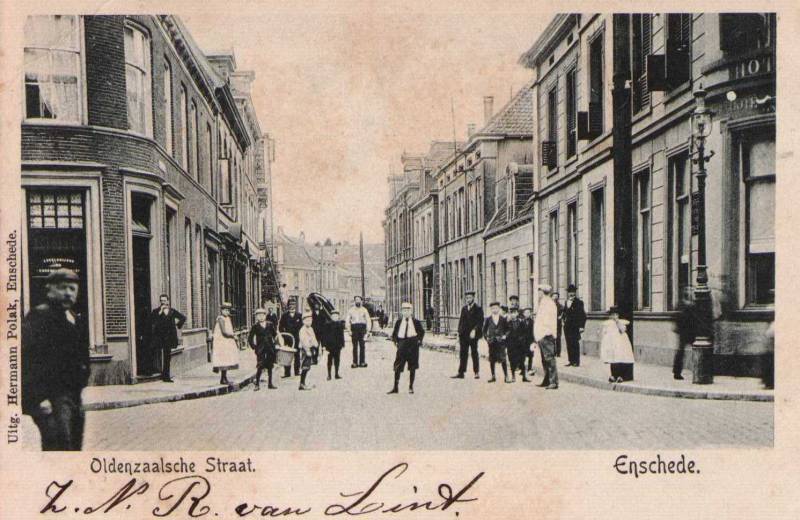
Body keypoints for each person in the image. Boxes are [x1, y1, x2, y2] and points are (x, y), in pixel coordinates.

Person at [22, 268, 90, 451]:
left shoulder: (73, 317)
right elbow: (28, 360)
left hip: (73, 397)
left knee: (74, 446)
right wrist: (38, 400)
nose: (68, 292)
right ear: (50, 289)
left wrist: (83, 377)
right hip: (52, 399)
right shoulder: (39, 317)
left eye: (72, 288)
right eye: (62, 287)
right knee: (60, 447)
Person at [148, 294, 186, 382]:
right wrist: (159, 313)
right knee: (152, 351)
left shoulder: (172, 311)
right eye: (161, 300)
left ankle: (166, 376)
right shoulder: (156, 311)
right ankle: (151, 371)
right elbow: (151, 321)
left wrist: (177, 325)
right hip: (158, 337)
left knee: (167, 357)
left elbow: (183, 318)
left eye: (164, 301)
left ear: (168, 301)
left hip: (169, 337)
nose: (163, 302)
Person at [388, 302, 425, 394]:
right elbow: (394, 334)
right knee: (397, 366)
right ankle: (395, 387)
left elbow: (421, 332)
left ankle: (411, 387)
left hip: (413, 345)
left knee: (412, 367)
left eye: (408, 310)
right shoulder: (399, 322)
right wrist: (396, 342)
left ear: (411, 311)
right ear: (402, 312)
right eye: (404, 310)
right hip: (402, 344)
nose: (406, 312)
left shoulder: (416, 322)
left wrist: (419, 340)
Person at [452, 290, 483, 379]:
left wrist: (474, 330)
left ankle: (476, 372)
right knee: (463, 353)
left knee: (474, 353)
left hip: (473, 335)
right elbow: (461, 322)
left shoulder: (478, 308)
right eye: (467, 298)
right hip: (464, 335)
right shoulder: (464, 309)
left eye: (469, 298)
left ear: (473, 298)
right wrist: (458, 333)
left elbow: (480, 322)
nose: (468, 299)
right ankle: (461, 372)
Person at [600, 306, 635, 383]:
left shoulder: (621, 322)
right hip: (611, 343)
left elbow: (622, 330)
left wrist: (617, 321)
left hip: (621, 342)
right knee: (613, 359)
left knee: (620, 357)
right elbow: (604, 333)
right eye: (612, 315)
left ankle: (621, 376)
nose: (614, 316)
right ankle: (613, 375)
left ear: (618, 315)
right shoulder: (607, 324)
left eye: (615, 314)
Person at [534, 284, 559, 390]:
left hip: (546, 334)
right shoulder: (544, 303)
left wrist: (546, 333)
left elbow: (549, 321)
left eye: (539, 291)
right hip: (541, 335)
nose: (538, 294)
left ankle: (553, 381)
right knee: (545, 359)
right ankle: (547, 379)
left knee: (549, 358)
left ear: (542, 292)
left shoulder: (548, 303)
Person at [248, 308, 280, 391]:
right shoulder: (255, 326)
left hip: (270, 348)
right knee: (260, 366)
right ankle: (257, 384)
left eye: (262, 315)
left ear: (265, 316)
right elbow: (250, 338)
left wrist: (276, 344)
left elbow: (275, 335)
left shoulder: (270, 324)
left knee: (270, 366)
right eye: (259, 316)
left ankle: (270, 383)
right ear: (256, 317)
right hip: (261, 349)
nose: (261, 317)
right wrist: (254, 347)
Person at [212, 303, 240, 385]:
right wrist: (233, 336)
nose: (226, 312)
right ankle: (223, 378)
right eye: (225, 310)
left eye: (228, 310)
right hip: (222, 342)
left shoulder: (227, 318)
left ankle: (224, 377)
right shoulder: (220, 319)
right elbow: (224, 332)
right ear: (221, 310)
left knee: (226, 359)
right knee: (223, 359)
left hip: (226, 341)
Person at [482, 301, 510, 383]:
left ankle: (506, 376)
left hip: (501, 342)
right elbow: (484, 330)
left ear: (499, 309)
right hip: (492, 342)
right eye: (493, 308)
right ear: (491, 309)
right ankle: (493, 376)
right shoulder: (488, 319)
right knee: (492, 359)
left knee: (503, 359)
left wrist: (505, 336)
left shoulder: (502, 319)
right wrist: (487, 339)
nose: (494, 310)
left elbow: (508, 329)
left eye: (496, 308)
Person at [562, 284, 587, 368]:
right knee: (569, 343)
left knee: (575, 343)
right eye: (569, 292)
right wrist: (563, 320)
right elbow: (564, 313)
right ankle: (571, 360)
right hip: (567, 327)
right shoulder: (566, 302)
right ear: (567, 293)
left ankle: (576, 361)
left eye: (572, 292)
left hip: (575, 326)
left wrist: (581, 326)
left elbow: (583, 315)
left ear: (575, 293)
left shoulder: (579, 302)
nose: (571, 294)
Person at [673, 286, 694, 380]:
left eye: (690, 290)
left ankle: (696, 369)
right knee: (681, 351)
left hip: (691, 331)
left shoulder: (692, 304)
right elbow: (677, 316)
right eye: (687, 290)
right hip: (684, 331)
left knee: (694, 350)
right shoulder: (682, 304)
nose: (689, 292)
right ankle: (677, 372)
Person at [278, 300, 303, 377]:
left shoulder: (299, 316)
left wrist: (300, 337)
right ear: (288, 306)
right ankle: (287, 373)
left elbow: (302, 327)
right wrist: (284, 335)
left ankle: (297, 371)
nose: (292, 306)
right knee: (287, 355)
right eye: (290, 305)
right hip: (287, 339)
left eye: (293, 305)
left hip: (297, 338)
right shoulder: (284, 316)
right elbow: (280, 327)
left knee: (297, 355)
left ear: (295, 306)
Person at [507, 307, 531, 382]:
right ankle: (513, 376)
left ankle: (524, 377)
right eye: (512, 313)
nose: (513, 314)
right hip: (511, 345)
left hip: (520, 345)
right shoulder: (508, 323)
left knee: (522, 361)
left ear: (517, 313)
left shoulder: (521, 322)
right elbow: (505, 333)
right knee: (512, 361)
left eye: (515, 312)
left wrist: (522, 339)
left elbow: (525, 333)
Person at [346, 295, 372, 368]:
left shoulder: (364, 310)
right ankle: (355, 362)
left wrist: (368, 331)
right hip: (354, 328)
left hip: (362, 328)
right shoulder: (351, 310)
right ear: (354, 301)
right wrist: (349, 330)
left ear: (361, 301)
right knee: (354, 346)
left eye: (359, 300)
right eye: (356, 300)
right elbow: (347, 321)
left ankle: (362, 362)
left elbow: (368, 320)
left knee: (362, 346)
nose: (357, 301)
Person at [297, 312, 318, 390]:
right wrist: (307, 351)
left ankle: (303, 382)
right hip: (305, 349)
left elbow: (313, 338)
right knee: (305, 366)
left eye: (310, 320)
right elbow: (303, 341)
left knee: (308, 366)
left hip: (311, 348)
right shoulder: (303, 330)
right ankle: (301, 383)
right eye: (307, 320)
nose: (309, 322)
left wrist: (315, 345)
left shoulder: (311, 328)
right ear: (303, 321)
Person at [324, 309, 345, 380]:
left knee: (337, 360)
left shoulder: (340, 324)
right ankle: (329, 374)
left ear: (338, 317)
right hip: (330, 346)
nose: (335, 317)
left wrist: (342, 344)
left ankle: (336, 373)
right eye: (333, 316)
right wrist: (325, 345)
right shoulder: (327, 324)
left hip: (338, 345)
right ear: (331, 316)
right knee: (329, 360)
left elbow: (342, 335)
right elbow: (325, 336)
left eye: (336, 316)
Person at [522, 308, 536, 375]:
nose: (527, 314)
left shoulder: (532, 322)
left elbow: (534, 332)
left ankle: (529, 368)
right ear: (523, 314)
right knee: (523, 356)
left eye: (528, 313)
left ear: (530, 314)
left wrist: (534, 342)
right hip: (524, 341)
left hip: (530, 341)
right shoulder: (522, 322)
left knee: (530, 356)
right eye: (526, 313)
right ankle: (523, 369)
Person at [552, 291, 564, 357]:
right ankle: (553, 352)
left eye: (556, 296)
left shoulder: (560, 306)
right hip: (551, 324)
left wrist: (561, 316)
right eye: (554, 296)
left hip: (558, 324)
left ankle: (558, 353)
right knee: (552, 338)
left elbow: (563, 312)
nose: (555, 298)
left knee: (558, 338)